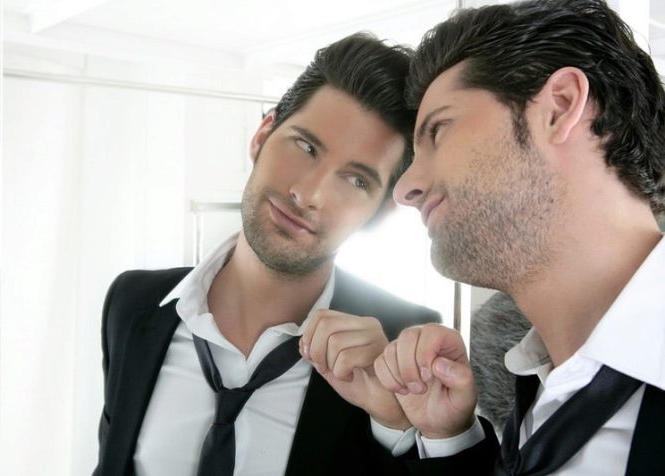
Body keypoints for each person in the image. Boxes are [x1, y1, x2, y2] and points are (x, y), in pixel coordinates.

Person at [93, 32, 440, 476]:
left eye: (356, 181)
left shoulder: (404, 344)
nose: (309, 194)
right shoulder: (132, 303)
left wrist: (395, 423)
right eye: (306, 147)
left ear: (381, 212)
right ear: (262, 135)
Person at [373, 0, 665, 474]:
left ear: (560, 106)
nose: (405, 188)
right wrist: (450, 442)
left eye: (438, 131)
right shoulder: (527, 393)